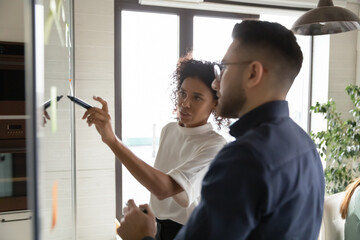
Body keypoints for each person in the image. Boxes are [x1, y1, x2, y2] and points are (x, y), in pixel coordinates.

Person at [117, 20, 325, 240]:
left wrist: (142, 237)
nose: (216, 84)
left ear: (253, 73)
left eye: (223, 69)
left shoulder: (244, 158)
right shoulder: (305, 145)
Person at [82, 57, 228, 240]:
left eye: (197, 97)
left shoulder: (215, 146)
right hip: (157, 226)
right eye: (182, 93)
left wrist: (112, 141)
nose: (185, 103)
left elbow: (164, 188)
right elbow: (160, 187)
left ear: (215, 103)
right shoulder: (169, 130)